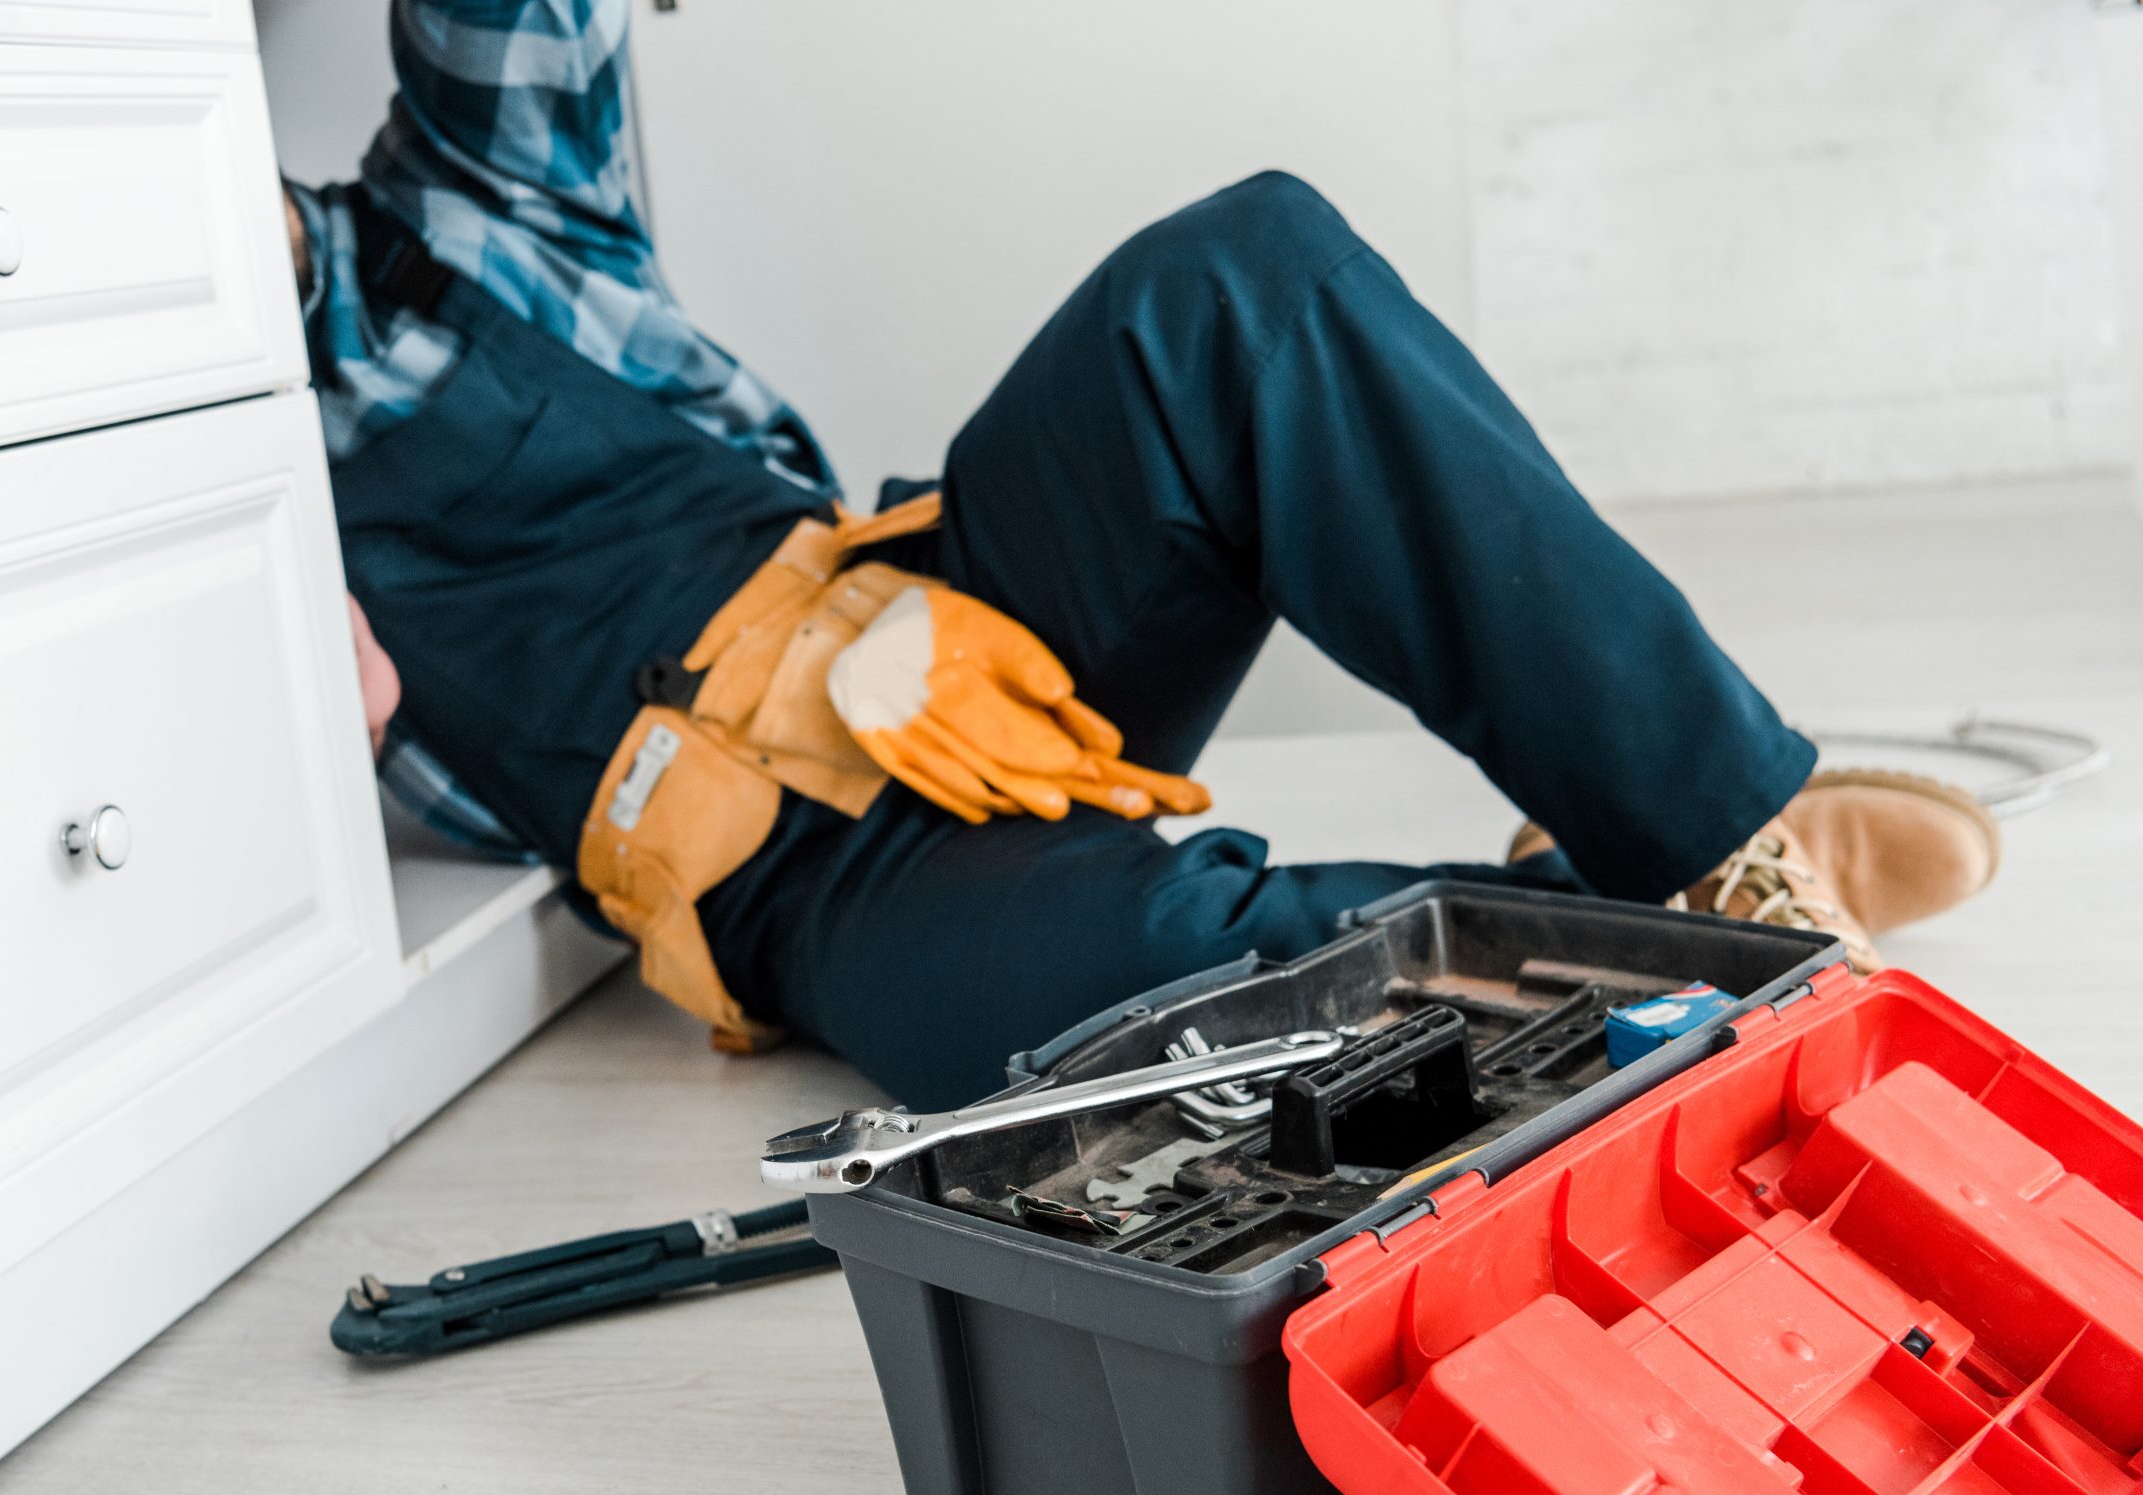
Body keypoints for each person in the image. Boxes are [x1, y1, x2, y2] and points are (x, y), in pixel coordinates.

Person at [286, 0, 2000, 1112]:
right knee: (1106, 1018)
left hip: (956, 621)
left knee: (1237, 278)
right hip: (810, 882)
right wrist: (294, 708)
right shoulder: (205, 513)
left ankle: (1713, 832)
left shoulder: (461, 211)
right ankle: (1687, 945)